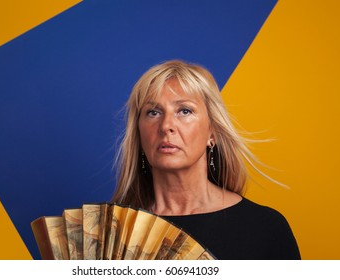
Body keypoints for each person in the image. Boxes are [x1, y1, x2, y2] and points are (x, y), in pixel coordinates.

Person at [112, 60, 300, 260]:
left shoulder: (266, 228)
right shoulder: (112, 232)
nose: (166, 125)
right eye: (153, 112)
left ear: (212, 132)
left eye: (185, 111)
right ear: (139, 134)